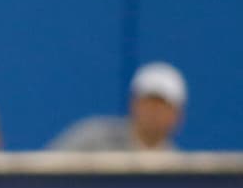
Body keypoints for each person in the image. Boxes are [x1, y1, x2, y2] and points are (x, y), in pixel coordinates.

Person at [49, 61, 187, 151]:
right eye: (149, 103)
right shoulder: (92, 138)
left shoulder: (178, 167)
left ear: (177, 114)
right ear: (133, 104)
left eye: (162, 106)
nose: (154, 113)